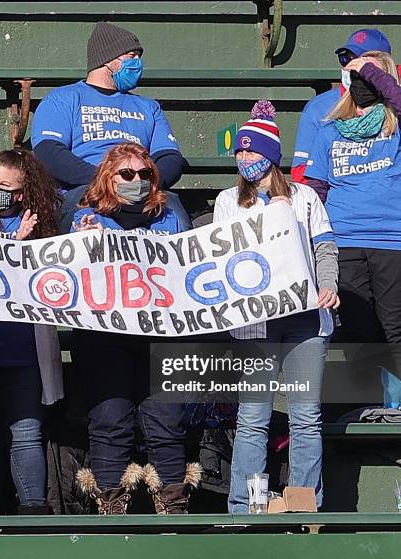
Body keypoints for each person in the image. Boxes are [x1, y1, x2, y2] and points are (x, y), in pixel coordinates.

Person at [213, 101, 340, 513]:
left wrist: (328, 285)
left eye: (251, 151)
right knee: (253, 418)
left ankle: (304, 502)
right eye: (240, 151)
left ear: (270, 155)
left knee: (306, 418)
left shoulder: (304, 198)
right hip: (256, 324)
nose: (244, 158)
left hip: (305, 321)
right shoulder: (228, 201)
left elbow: (324, 247)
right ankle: (245, 504)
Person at [71, 142, 201, 515]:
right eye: (126, 174)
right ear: (107, 178)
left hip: (161, 336)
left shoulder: (170, 215)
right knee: (110, 422)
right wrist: (83, 241)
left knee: (167, 424)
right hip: (103, 338)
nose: (137, 181)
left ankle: (173, 507)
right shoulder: (87, 218)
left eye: (145, 174)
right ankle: (111, 508)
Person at [0, 149, 64, 515]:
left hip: (26, 352)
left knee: (25, 436)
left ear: (22, 192)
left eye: (5, 186)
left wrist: (18, 248)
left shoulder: (43, 226)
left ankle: (33, 511)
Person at [305, 51, 401, 408]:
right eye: (354, 76)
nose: (360, 82)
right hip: (344, 240)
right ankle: (369, 407)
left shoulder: (396, 126)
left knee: (395, 327)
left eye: (368, 76)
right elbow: (315, 188)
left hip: (393, 240)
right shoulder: (330, 130)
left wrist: (375, 73)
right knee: (359, 330)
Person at [31, 21, 190, 233]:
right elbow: (48, 152)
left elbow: (170, 157)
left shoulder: (148, 107)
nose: (138, 63)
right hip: (86, 190)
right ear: (109, 60)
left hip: (143, 189)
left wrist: (143, 183)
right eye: (132, 56)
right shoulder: (64, 98)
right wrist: (107, 181)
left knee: (176, 214)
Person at [291, 29, 392, 184]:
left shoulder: (393, 105)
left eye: (361, 61)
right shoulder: (320, 107)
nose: (352, 66)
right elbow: (301, 172)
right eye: (346, 59)